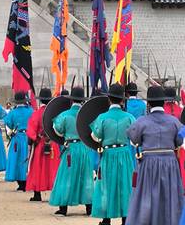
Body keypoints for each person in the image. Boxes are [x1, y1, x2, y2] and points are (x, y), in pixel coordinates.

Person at [125, 86, 183, 225]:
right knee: (169, 195)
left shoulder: (141, 122)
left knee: (147, 195)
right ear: (163, 102)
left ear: (149, 103)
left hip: (149, 163)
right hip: (170, 163)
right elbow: (179, 141)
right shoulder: (174, 122)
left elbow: (134, 139)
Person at [90, 83, 135, 225]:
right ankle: (125, 218)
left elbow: (95, 136)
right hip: (124, 154)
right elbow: (134, 138)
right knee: (125, 185)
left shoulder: (102, 117)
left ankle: (106, 219)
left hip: (108, 154)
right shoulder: (129, 117)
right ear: (122, 100)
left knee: (106, 185)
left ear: (109, 99)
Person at [49, 86, 93, 216]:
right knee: (86, 177)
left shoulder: (64, 115)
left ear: (71, 100)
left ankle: (63, 208)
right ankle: (89, 207)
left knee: (66, 176)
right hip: (84, 148)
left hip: (71, 149)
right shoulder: (87, 116)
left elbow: (58, 130)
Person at [26, 88, 60, 202]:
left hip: (41, 144)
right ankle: (54, 193)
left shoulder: (36, 113)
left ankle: (37, 194)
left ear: (40, 99)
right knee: (53, 168)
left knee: (38, 169)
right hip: (53, 144)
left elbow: (31, 131)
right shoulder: (54, 113)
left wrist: (36, 139)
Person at [4, 91, 33, 191]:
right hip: (29, 137)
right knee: (28, 159)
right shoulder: (31, 111)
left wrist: (10, 133)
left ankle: (21, 184)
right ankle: (27, 181)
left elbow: (8, 124)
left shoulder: (12, 112)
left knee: (16, 159)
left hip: (17, 137)